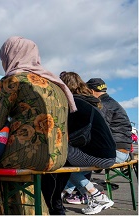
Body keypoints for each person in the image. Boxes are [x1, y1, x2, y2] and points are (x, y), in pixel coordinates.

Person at [0, 36, 76, 215]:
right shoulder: (55, 84)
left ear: (11, 56)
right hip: (58, 155)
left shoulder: (12, 81)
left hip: (28, 155)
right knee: (12, 166)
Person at [59, 72, 116, 215]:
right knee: (68, 161)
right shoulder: (90, 102)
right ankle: (64, 192)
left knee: (59, 158)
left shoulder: (74, 103)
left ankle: (97, 196)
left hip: (100, 155)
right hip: (109, 153)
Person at [86, 78, 133, 163]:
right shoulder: (111, 103)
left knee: (73, 158)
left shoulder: (103, 105)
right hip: (123, 151)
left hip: (115, 152)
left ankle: (81, 177)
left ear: (91, 91)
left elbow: (99, 131)